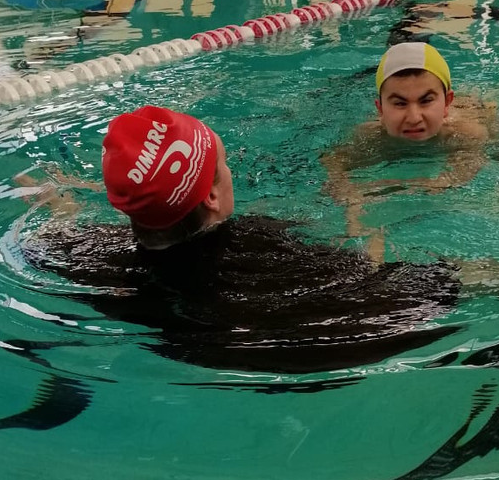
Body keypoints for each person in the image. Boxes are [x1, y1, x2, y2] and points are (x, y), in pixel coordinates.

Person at [23, 106, 463, 374]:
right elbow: (407, 292)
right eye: (224, 164)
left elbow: (52, 241)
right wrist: (365, 228)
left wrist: (60, 208)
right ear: (212, 197)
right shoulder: (267, 250)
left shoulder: (94, 260)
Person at [322, 40, 497, 246]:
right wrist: (346, 191)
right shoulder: (369, 136)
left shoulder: (467, 133)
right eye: (400, 103)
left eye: (426, 101)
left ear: (447, 103)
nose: (414, 118)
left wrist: (399, 188)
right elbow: (333, 162)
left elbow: (458, 174)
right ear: (380, 109)